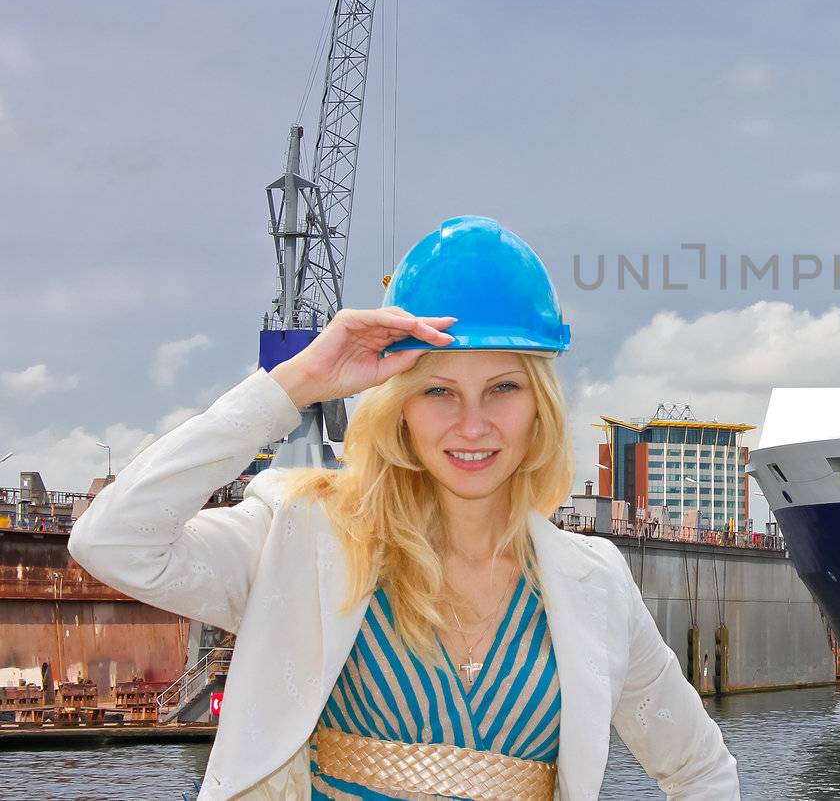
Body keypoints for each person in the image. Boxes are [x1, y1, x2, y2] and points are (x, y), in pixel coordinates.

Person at [69, 216, 738, 800]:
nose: (471, 425)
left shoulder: (595, 582)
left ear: (540, 406)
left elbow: (701, 772)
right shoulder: (306, 537)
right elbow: (113, 540)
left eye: (502, 387)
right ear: (400, 408)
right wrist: (296, 381)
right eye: (439, 392)